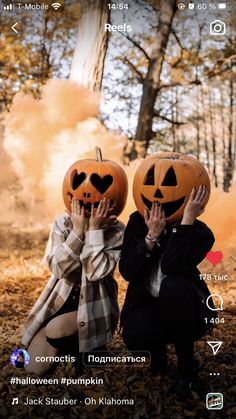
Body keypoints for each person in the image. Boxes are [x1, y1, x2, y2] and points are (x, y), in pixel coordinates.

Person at [119, 185, 215, 401]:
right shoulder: (137, 221)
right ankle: (157, 354)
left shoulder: (201, 234)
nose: (161, 196)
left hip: (187, 310)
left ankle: (186, 368)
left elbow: (172, 266)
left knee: (172, 286)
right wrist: (151, 237)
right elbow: (127, 271)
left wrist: (186, 220)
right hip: (149, 307)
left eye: (171, 185)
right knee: (136, 334)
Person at [22, 197, 124, 375]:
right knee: (32, 368)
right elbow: (58, 269)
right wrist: (77, 231)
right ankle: (73, 347)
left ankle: (92, 348)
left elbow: (94, 272)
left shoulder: (117, 230)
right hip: (62, 298)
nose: (91, 199)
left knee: (55, 329)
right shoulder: (63, 223)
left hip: (95, 306)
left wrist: (94, 230)